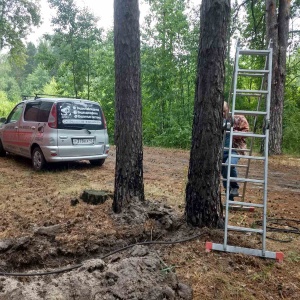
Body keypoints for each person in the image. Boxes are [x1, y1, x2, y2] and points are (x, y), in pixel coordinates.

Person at [222, 101, 249, 200]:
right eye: (221, 112)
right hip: (222, 150)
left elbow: (246, 132)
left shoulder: (238, 118)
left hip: (235, 148)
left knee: (229, 164)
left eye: (224, 111)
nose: (223, 114)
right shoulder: (217, 119)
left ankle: (234, 187)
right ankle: (229, 197)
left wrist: (232, 132)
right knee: (224, 170)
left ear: (228, 109)